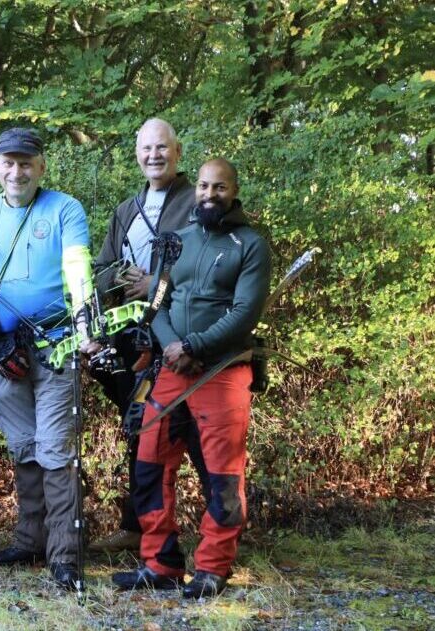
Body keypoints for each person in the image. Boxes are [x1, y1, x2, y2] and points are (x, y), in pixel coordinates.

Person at [112, 159, 272, 598]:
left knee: (223, 474)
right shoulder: (178, 241)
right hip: (171, 368)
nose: (209, 194)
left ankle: (212, 569)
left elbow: (244, 313)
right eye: (203, 186)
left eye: (219, 187)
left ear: (234, 190)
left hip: (222, 371)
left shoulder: (250, 245)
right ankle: (159, 563)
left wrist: (194, 347)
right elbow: (158, 301)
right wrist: (171, 346)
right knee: (149, 463)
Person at [0, 128, 95, 590]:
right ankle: (30, 541)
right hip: (4, 351)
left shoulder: (65, 209)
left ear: (41, 167)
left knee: (55, 448)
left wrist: (84, 325)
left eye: (26, 163)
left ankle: (65, 556)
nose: (17, 172)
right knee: (24, 445)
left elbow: (78, 268)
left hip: (57, 346)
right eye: (9, 163)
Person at [92, 118, 203, 554]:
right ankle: (139, 526)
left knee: (195, 433)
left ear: (178, 152)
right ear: (137, 154)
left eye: (162, 147)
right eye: (146, 148)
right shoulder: (127, 210)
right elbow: (101, 271)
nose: (154, 155)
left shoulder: (198, 201)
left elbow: (207, 268)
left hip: (180, 336)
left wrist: (156, 285)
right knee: (140, 427)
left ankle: (220, 529)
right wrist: (121, 276)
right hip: (132, 339)